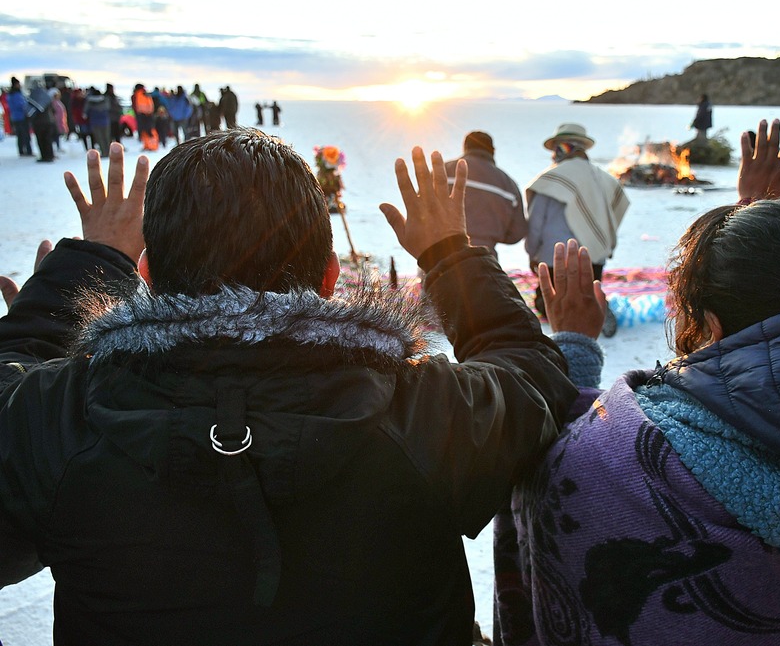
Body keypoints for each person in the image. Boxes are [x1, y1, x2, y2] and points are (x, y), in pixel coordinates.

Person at [0, 130, 578, 644]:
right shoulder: (420, 411)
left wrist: (69, 290)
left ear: (145, 276)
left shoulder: (64, 417)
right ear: (330, 278)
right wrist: (450, 256)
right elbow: (533, 376)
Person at [493, 119, 780, 645]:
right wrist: (754, 232)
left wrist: (573, 345)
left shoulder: (615, 459)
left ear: (710, 327)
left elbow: (541, 467)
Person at [525, 123, 629, 334]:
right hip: (594, 256)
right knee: (588, 290)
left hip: (556, 258)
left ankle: (585, 309)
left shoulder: (551, 180)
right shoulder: (604, 178)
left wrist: (532, 254)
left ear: (562, 148)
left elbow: (535, 225)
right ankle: (597, 304)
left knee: (547, 302)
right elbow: (615, 211)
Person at [444, 131, 527, 257]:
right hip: (486, 260)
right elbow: (517, 233)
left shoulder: (443, 171)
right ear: (492, 151)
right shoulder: (508, 184)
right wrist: (489, 236)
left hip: (439, 258)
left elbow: (419, 213)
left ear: (465, 147)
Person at [26, 80, 56, 162]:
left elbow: (29, 111)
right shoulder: (47, 95)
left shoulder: (33, 96)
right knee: (48, 139)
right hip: (49, 121)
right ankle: (50, 155)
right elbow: (53, 109)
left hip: (38, 122)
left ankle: (44, 156)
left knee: (41, 140)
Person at [8, 77, 33, 157]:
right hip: (22, 117)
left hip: (15, 117)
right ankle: (28, 151)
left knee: (19, 135)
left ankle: (21, 150)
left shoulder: (10, 94)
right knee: (25, 134)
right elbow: (21, 105)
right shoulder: (17, 94)